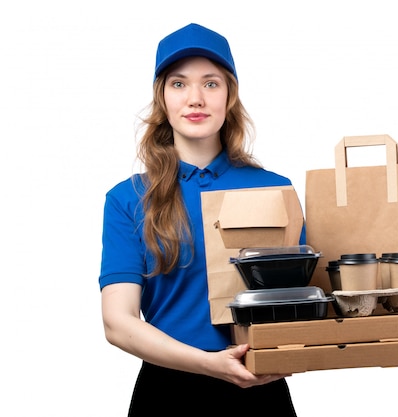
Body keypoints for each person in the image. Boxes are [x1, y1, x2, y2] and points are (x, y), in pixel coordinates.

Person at [99, 23, 300, 416]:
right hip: (168, 391)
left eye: (210, 83)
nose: (195, 99)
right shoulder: (128, 199)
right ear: (162, 99)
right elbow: (117, 321)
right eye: (179, 84)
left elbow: (298, 299)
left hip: (260, 386)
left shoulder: (275, 189)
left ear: (229, 96)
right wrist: (209, 364)